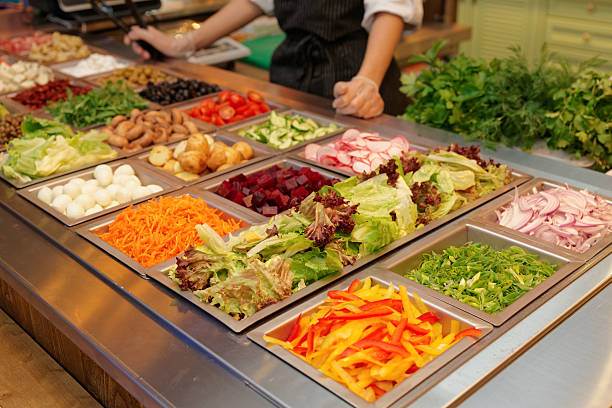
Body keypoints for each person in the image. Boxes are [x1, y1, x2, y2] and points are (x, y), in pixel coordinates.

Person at [125, 0, 423, 119]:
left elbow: (390, 8)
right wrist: (183, 45)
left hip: (355, 73)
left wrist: (368, 81)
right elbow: (256, 1)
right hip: (290, 78)